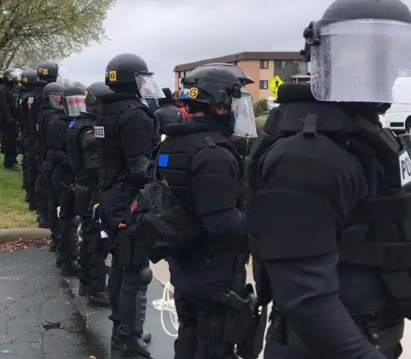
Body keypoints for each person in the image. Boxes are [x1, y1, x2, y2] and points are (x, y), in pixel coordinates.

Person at [246, 0, 411, 358]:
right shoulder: (308, 156)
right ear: (329, 56)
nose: (382, 66)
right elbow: (305, 297)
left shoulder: (365, 139)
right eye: (365, 52)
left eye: (391, 53)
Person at [160, 66, 253, 359]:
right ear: (218, 105)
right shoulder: (214, 153)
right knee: (215, 346)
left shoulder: (173, 143)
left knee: (189, 337)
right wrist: (263, 223)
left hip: (186, 263)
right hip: (213, 267)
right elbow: (222, 221)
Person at [95, 53, 160, 358]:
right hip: (128, 198)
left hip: (109, 193)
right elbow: (138, 167)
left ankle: (122, 329)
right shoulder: (135, 114)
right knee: (136, 270)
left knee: (121, 263)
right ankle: (130, 339)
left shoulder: (104, 109)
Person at [66, 81, 113, 307]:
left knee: (88, 237)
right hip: (91, 190)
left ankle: (87, 283)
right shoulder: (90, 130)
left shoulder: (78, 123)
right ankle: (96, 288)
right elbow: (95, 166)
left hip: (82, 188)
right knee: (96, 240)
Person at [45, 83, 79, 275]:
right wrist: (72, 162)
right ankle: (64, 254)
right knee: (65, 217)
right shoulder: (57, 122)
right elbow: (54, 151)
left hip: (76, 174)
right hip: (62, 174)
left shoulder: (82, 122)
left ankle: (68, 254)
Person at [34, 61, 61, 229]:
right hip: (48, 153)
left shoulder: (33, 98)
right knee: (48, 186)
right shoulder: (52, 116)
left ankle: (42, 213)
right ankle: (46, 216)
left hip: (39, 148)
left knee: (42, 181)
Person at [18, 68, 39, 210]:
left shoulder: (22, 97)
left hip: (25, 135)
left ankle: (29, 195)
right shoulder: (33, 98)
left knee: (28, 165)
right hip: (33, 137)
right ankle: (33, 198)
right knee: (34, 168)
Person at [0, 68, 22, 169]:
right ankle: (8, 162)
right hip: (6, 120)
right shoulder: (2, 89)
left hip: (13, 119)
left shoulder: (13, 89)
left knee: (14, 141)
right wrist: (8, 116)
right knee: (9, 141)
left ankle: (13, 159)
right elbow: (2, 105)